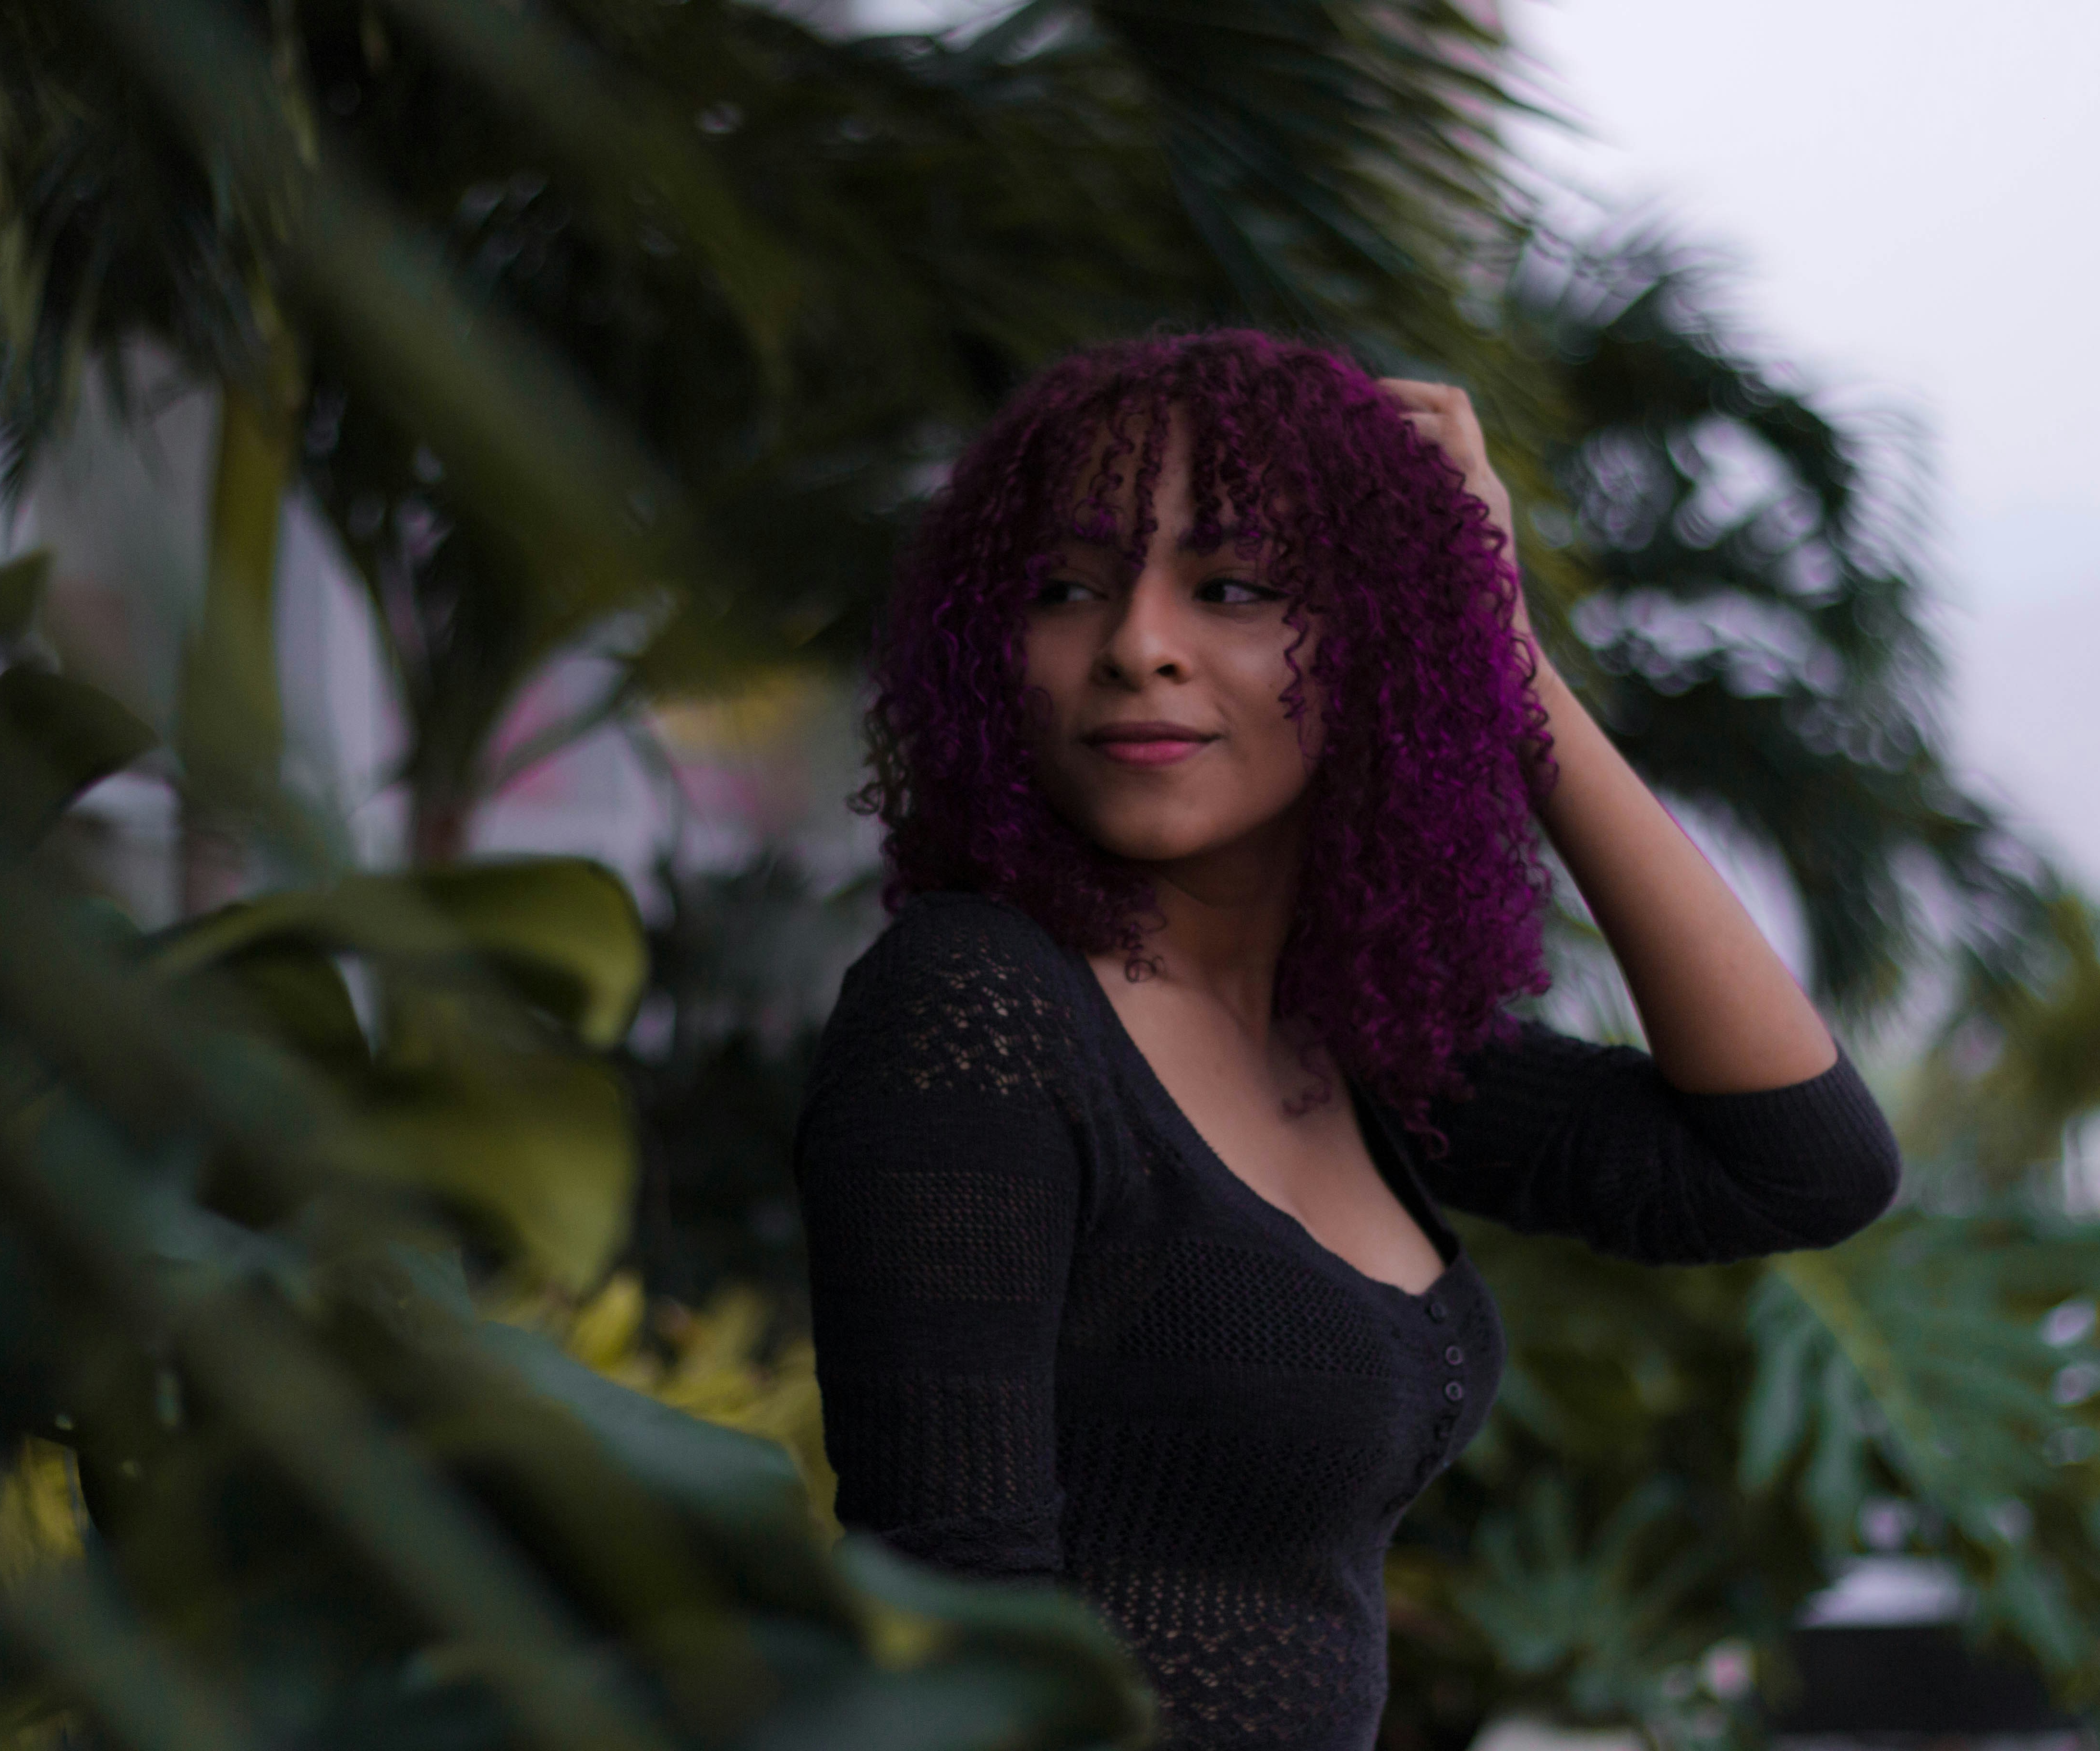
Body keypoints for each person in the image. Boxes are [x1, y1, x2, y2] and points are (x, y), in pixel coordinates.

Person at [795, 330, 1901, 1749]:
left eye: (1235, 588)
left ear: (1383, 642)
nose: (1137, 644)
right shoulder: (979, 1008)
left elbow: (1798, 1164)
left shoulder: (1347, 1035)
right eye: (1064, 589)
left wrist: (1500, 644)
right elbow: (956, 1644)